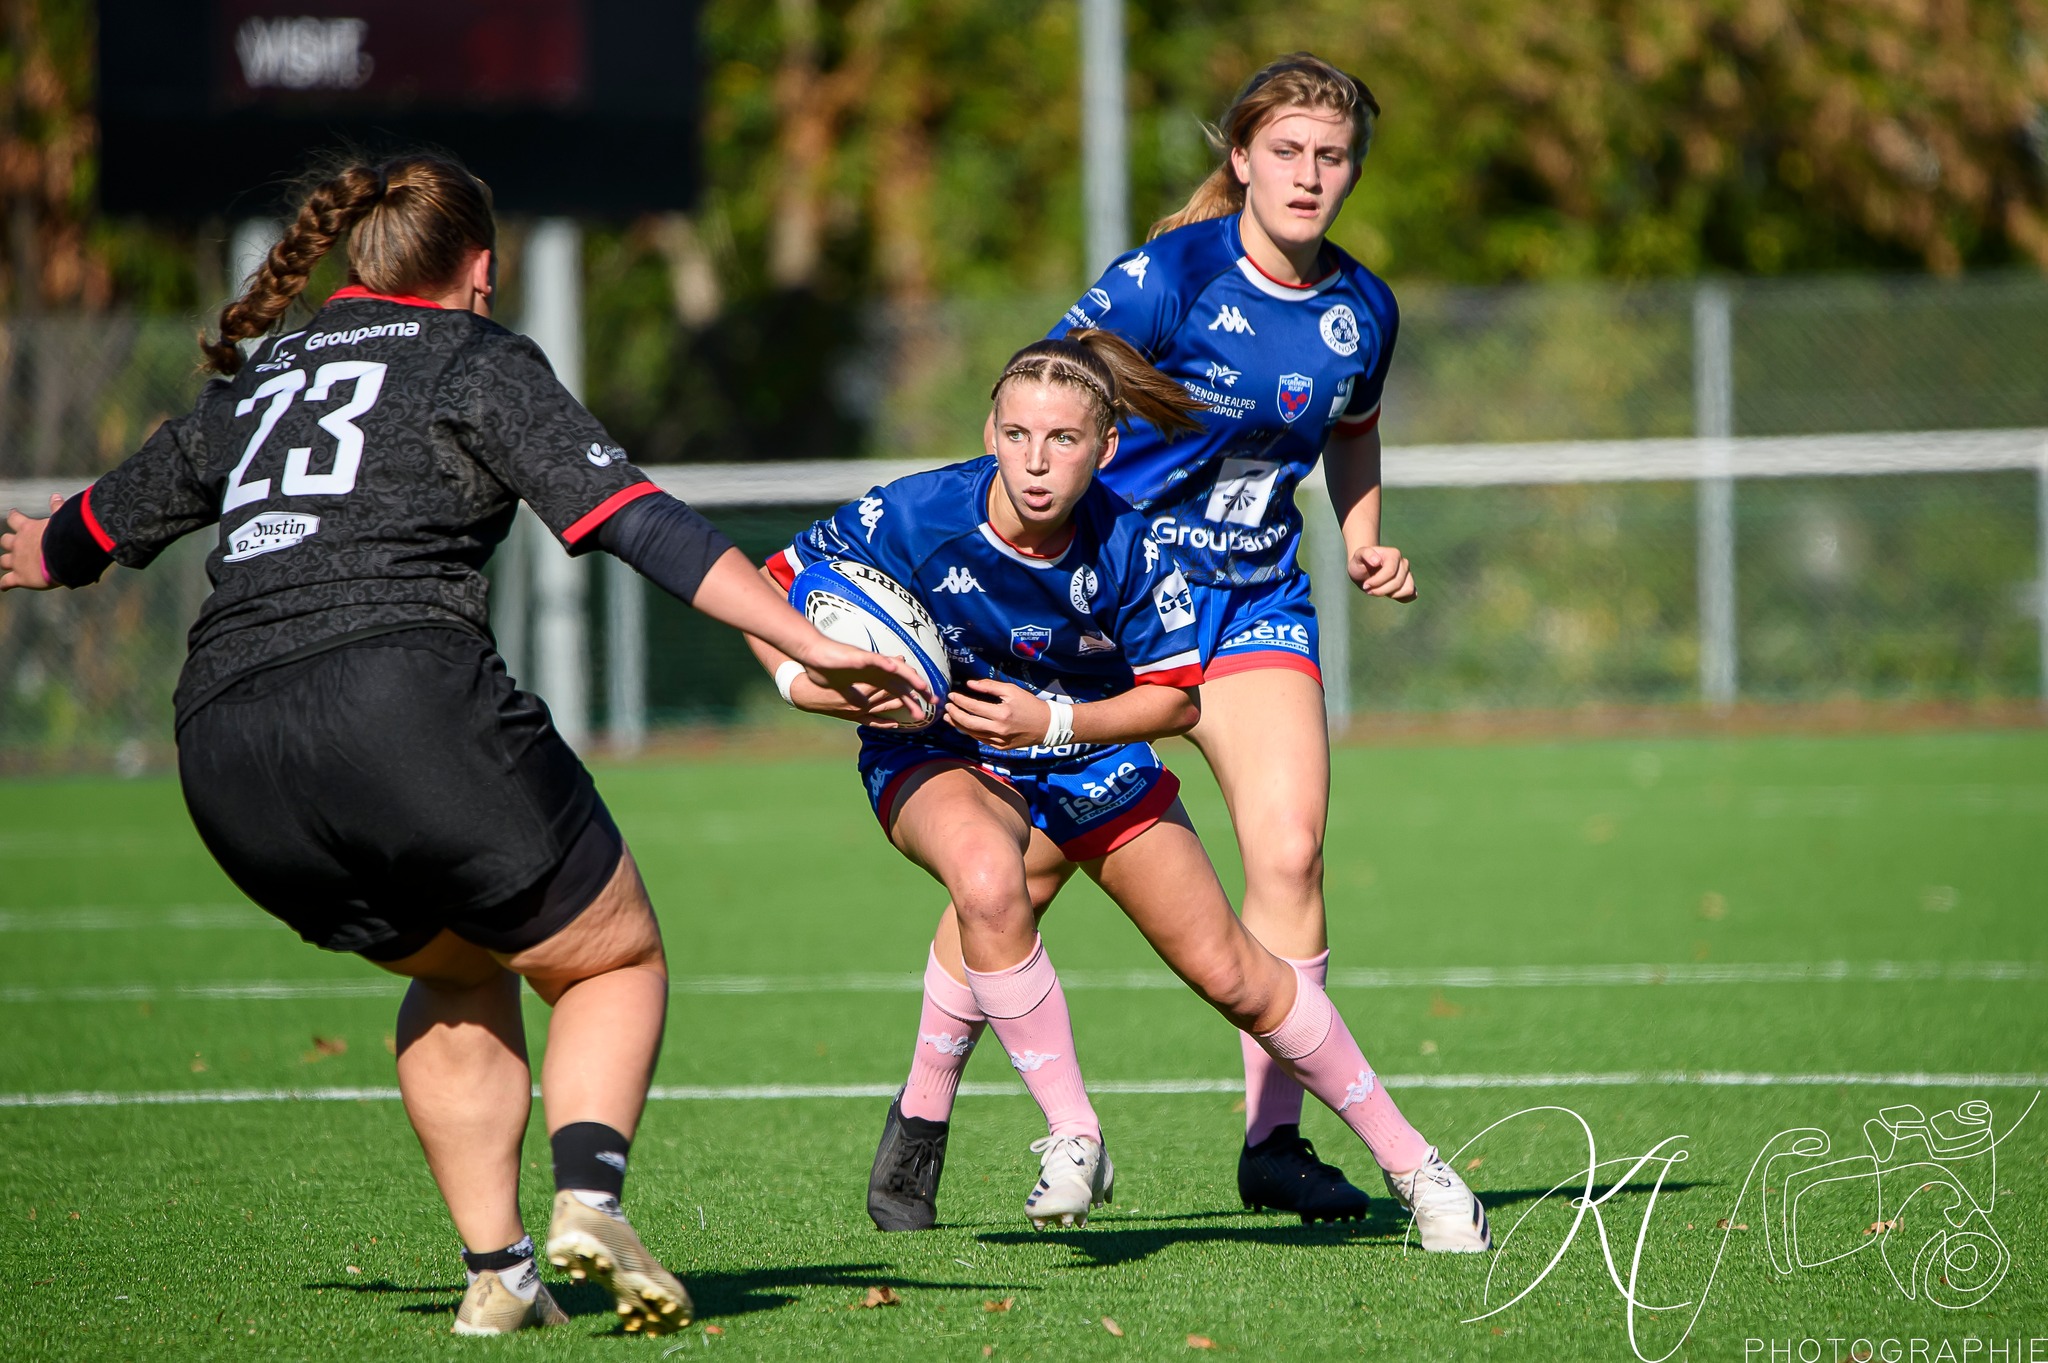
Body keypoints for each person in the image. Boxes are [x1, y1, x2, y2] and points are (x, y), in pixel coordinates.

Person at [0, 154, 927, 1336]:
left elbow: (112, 514)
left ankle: (501, 1272)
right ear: (481, 269)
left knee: (455, 966)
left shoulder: (273, 368)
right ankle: (589, 1200)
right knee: (608, 960)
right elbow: (633, 519)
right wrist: (803, 643)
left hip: (225, 747)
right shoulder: (475, 357)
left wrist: (48, 551)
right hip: (398, 701)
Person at [749, 331, 1486, 1248]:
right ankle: (1074, 1134)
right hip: (938, 749)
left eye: (1063, 440)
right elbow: (771, 586)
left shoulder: (1130, 544)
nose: (1034, 460)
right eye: (1016, 434)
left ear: (1105, 450)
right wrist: (806, 686)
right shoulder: (916, 512)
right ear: (989, 430)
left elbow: (1174, 703)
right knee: (986, 877)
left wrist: (1049, 724)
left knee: (1234, 972)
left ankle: (1418, 1167)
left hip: (1083, 751)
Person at [873, 51, 1428, 1229]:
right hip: (1115, 618)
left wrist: (1366, 530)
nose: (1308, 176)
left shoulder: (1363, 309)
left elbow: (1354, 431)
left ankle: (1273, 1143)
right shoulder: (1168, 276)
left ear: (1352, 173)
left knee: (1286, 852)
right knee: (1018, 870)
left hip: (1256, 602)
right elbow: (1049, 388)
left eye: (1332, 158)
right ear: (1240, 159)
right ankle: (923, 1107)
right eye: (1285, 152)